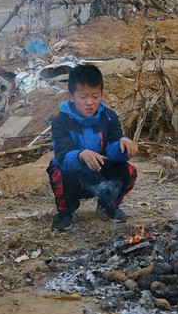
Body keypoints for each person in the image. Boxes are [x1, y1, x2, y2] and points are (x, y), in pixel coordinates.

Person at [48, 64, 138, 231]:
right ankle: (65, 212)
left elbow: (113, 144)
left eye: (95, 96)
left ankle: (107, 206)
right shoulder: (61, 121)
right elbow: (63, 155)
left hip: (99, 174)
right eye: (83, 96)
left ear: (102, 95)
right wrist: (81, 155)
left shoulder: (108, 117)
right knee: (58, 173)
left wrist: (122, 145)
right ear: (71, 96)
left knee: (129, 171)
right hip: (74, 176)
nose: (90, 102)